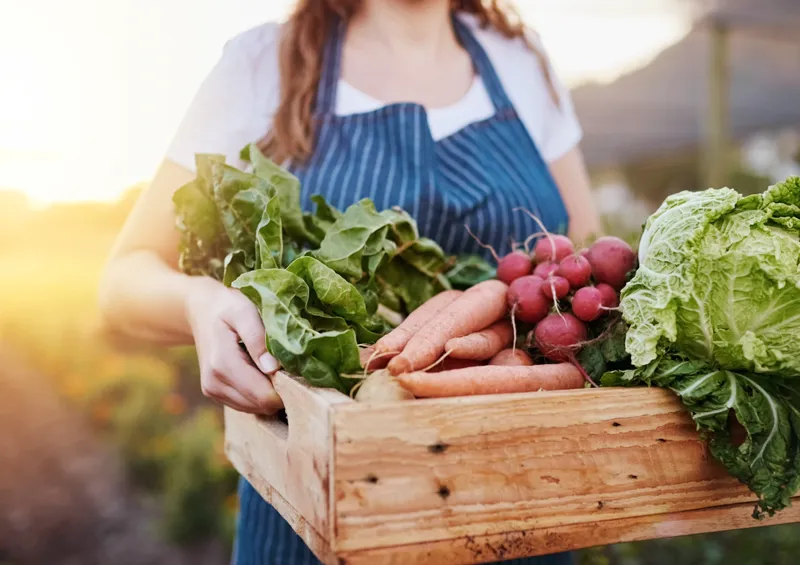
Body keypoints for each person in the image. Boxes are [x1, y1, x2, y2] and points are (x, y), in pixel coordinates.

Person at [99, 0, 601, 563]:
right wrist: (199, 301)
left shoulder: (519, 58)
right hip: (317, 506)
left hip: (526, 504)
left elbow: (581, 262)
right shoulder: (263, 63)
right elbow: (122, 279)